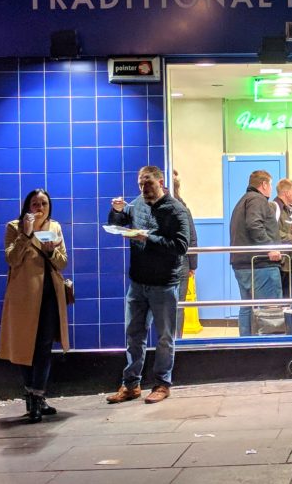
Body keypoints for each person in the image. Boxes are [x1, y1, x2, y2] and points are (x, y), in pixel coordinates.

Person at [105, 165, 189, 404]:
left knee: (164, 337)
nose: (144, 188)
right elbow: (121, 222)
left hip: (164, 284)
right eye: (140, 183)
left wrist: (147, 238)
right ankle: (131, 384)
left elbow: (181, 246)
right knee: (134, 334)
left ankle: (162, 384)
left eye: (148, 183)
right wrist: (116, 212)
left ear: (161, 182)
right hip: (138, 282)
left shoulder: (176, 210)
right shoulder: (138, 203)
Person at [0, 189, 70, 423]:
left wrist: (51, 254)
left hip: (49, 294)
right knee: (23, 345)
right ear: (27, 206)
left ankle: (37, 397)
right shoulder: (14, 227)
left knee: (43, 346)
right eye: (35, 203)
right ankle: (31, 394)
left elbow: (63, 262)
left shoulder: (55, 228)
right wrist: (26, 235)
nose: (40, 208)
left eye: (44, 204)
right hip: (23, 295)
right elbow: (11, 259)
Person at [230, 170, 282, 336]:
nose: (271, 190)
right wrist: (270, 248)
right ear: (264, 184)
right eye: (271, 185)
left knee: (247, 307)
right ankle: (268, 351)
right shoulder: (257, 200)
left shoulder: (242, 201)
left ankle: (245, 346)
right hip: (259, 265)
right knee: (270, 310)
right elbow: (254, 225)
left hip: (242, 263)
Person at [170, 169, 198, 340]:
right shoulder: (182, 207)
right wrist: (192, 264)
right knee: (178, 305)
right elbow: (192, 238)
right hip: (182, 261)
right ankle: (176, 341)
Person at [273, 178, 292, 298]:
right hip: (279, 262)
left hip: (288, 261)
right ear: (286, 193)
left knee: (286, 298)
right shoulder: (274, 207)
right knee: (278, 298)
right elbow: (273, 232)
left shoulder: (289, 210)